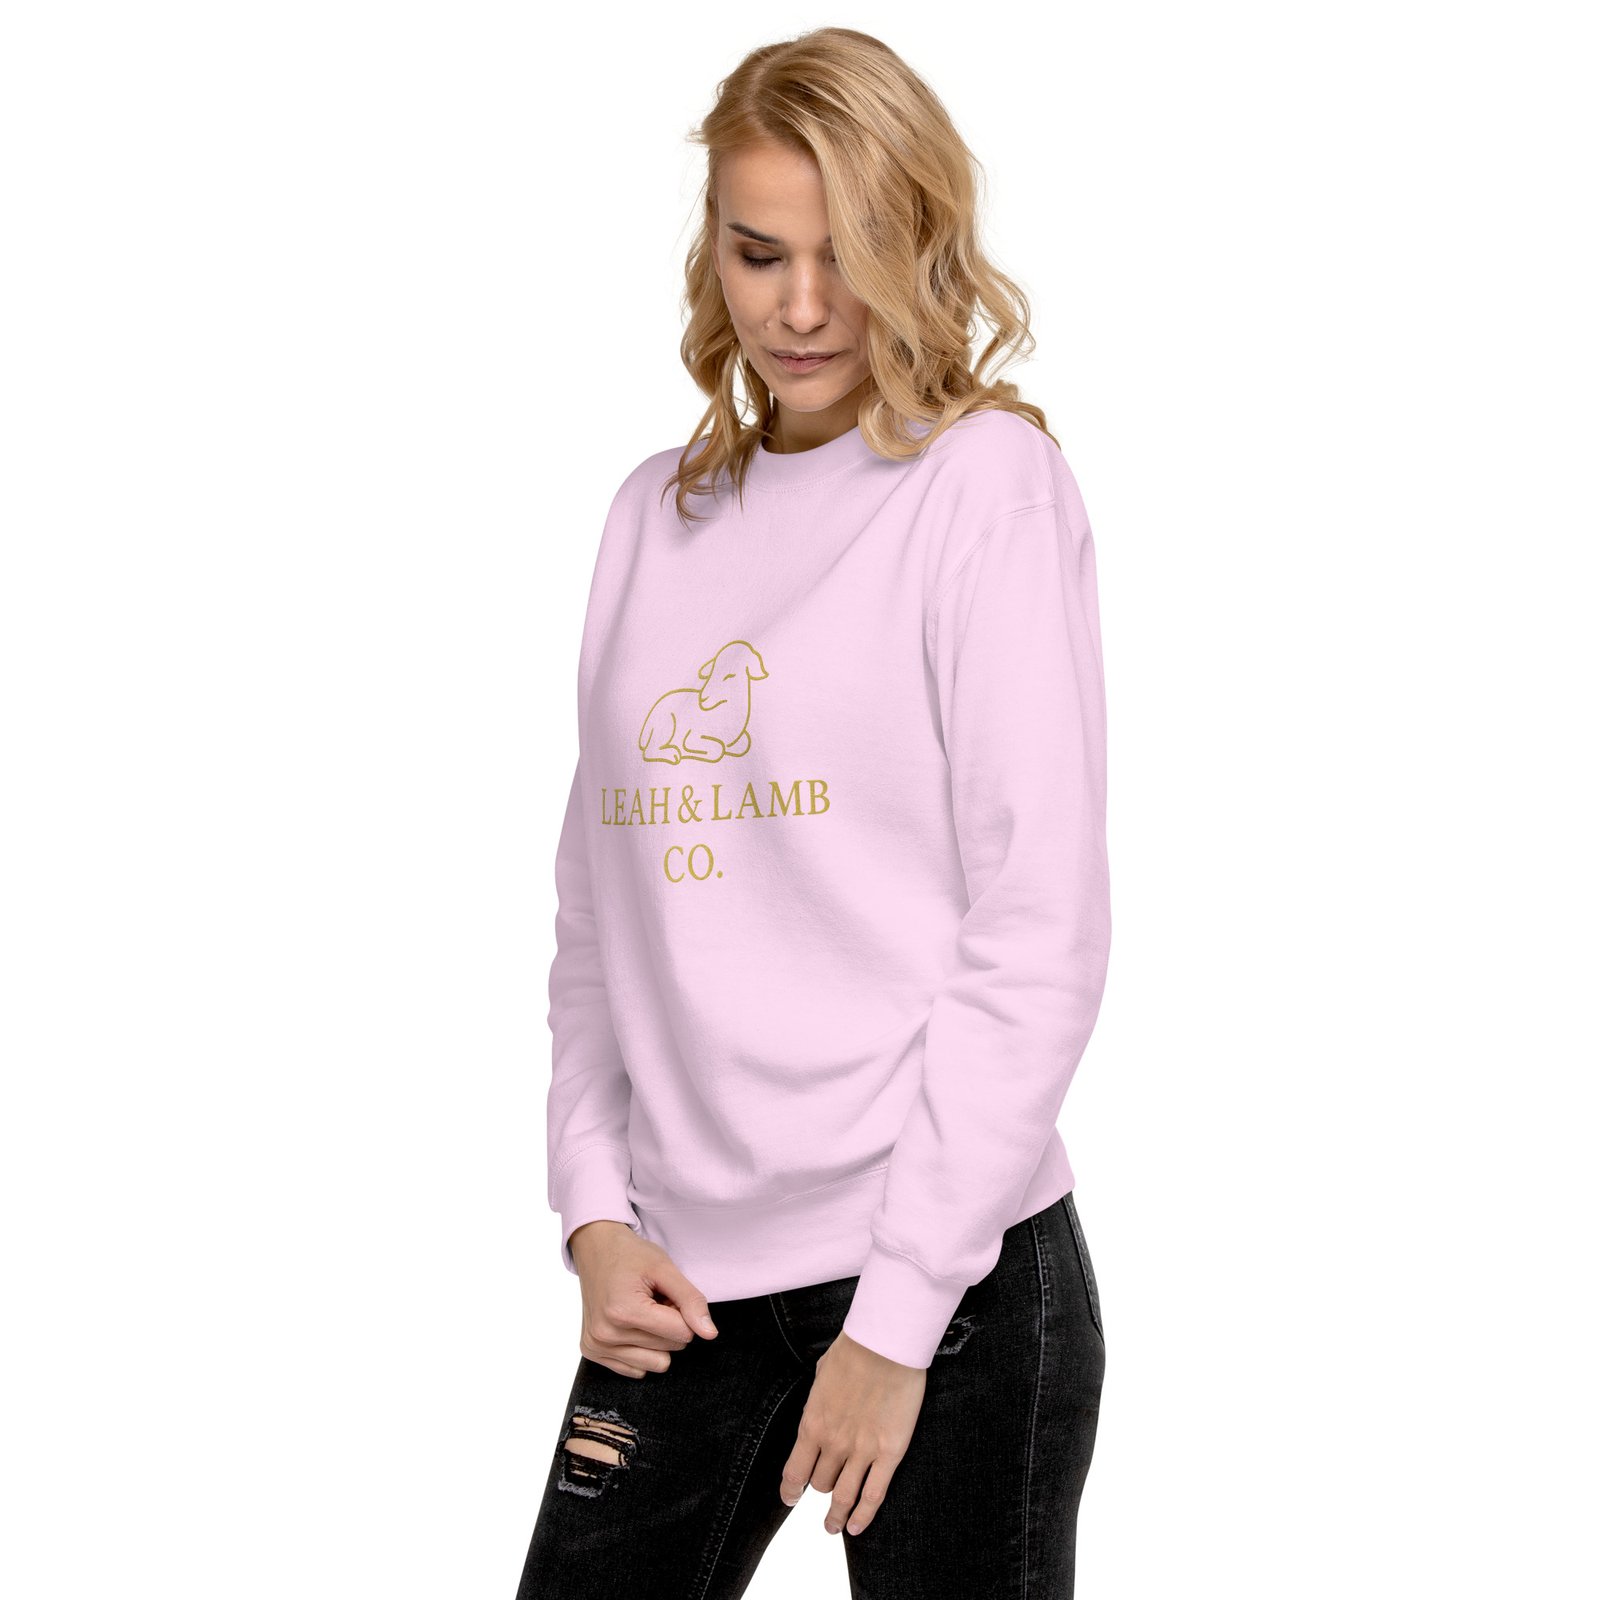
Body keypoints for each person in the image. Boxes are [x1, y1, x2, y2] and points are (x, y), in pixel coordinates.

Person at [515, 26, 1110, 1600]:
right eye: (760, 252)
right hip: (681, 1287)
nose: (799, 308)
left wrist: (897, 1321)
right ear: (711, 252)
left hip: (946, 1290)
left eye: (845, 253)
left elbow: (1038, 934)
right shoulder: (653, 518)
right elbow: (600, 920)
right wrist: (592, 1211)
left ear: (920, 240)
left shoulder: (982, 488)